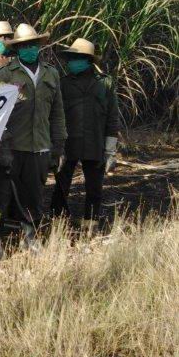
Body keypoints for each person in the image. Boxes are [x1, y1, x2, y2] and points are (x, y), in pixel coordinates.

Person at [0, 24, 66, 258]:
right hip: (11, 147)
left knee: (34, 197)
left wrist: (58, 147)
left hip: (40, 146)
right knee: (1, 197)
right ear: (18, 48)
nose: (29, 49)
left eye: (32, 45)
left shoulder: (51, 73)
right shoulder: (5, 74)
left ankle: (30, 238)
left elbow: (57, 112)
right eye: (24, 45)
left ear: (39, 46)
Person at [51, 38, 119, 227]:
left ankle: (91, 223)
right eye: (71, 58)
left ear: (89, 60)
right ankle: (58, 222)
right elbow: (54, 115)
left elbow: (112, 118)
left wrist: (110, 150)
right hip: (68, 143)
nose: (73, 61)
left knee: (94, 187)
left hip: (94, 143)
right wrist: (56, 146)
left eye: (78, 58)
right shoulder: (62, 83)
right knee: (61, 185)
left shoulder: (105, 83)